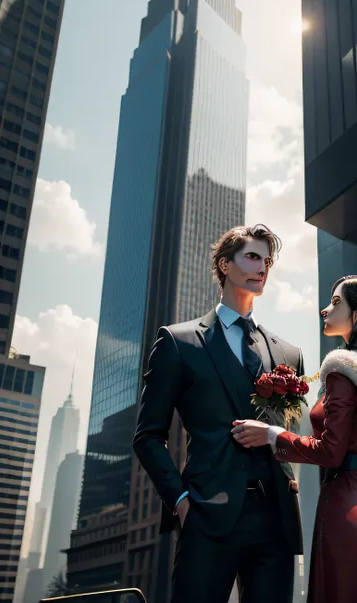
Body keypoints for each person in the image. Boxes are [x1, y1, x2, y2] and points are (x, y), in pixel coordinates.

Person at [233, 275, 357, 603]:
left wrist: (273, 435)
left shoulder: (344, 368)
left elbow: (330, 452)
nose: (325, 310)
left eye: (337, 302)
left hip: (351, 516)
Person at [133, 224, 304, 603]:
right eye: (253, 257)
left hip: (275, 520)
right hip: (207, 516)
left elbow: (289, 436)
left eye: (267, 260)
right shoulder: (178, 342)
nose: (262, 267)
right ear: (225, 265)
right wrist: (181, 502)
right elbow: (147, 436)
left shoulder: (288, 354)